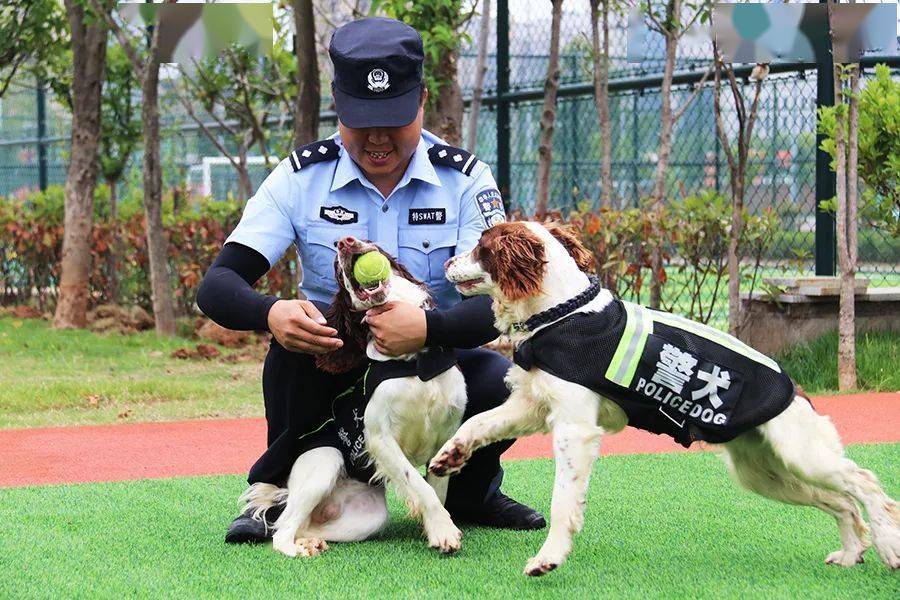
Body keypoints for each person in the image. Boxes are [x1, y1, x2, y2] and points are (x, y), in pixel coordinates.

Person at [197, 16, 544, 544]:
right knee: (290, 351)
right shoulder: (300, 177)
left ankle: (471, 491)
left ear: (423, 101)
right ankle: (277, 494)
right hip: (335, 360)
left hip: (430, 360)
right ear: (338, 104)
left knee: (497, 378)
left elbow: (501, 304)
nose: (378, 139)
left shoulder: (465, 179)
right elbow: (218, 285)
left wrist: (429, 329)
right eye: (361, 121)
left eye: (395, 120)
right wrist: (272, 312)